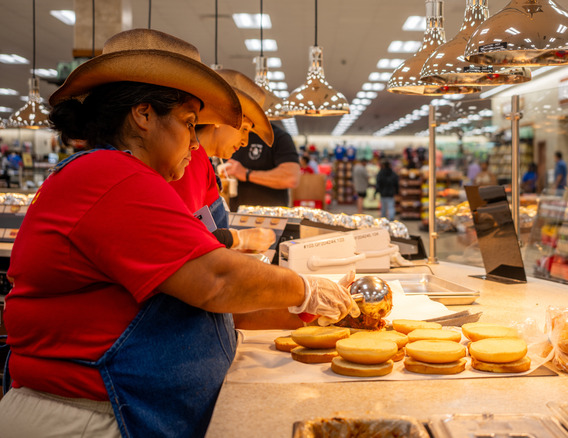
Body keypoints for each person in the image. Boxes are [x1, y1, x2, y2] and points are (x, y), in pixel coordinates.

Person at [0, 29, 359, 438]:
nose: (195, 141)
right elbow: (216, 280)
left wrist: (309, 309)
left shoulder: (135, 180)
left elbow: (213, 305)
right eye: (189, 124)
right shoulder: (108, 176)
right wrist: (303, 288)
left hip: (126, 409)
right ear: (143, 114)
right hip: (89, 418)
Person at [169, 68, 276, 252]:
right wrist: (239, 239)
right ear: (220, 118)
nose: (245, 142)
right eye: (244, 129)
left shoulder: (202, 160)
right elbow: (186, 234)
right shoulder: (191, 159)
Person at [222, 123, 301, 209]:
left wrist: (247, 174)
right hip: (234, 214)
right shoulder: (229, 134)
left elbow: (291, 178)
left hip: (270, 217)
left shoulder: (278, 136)